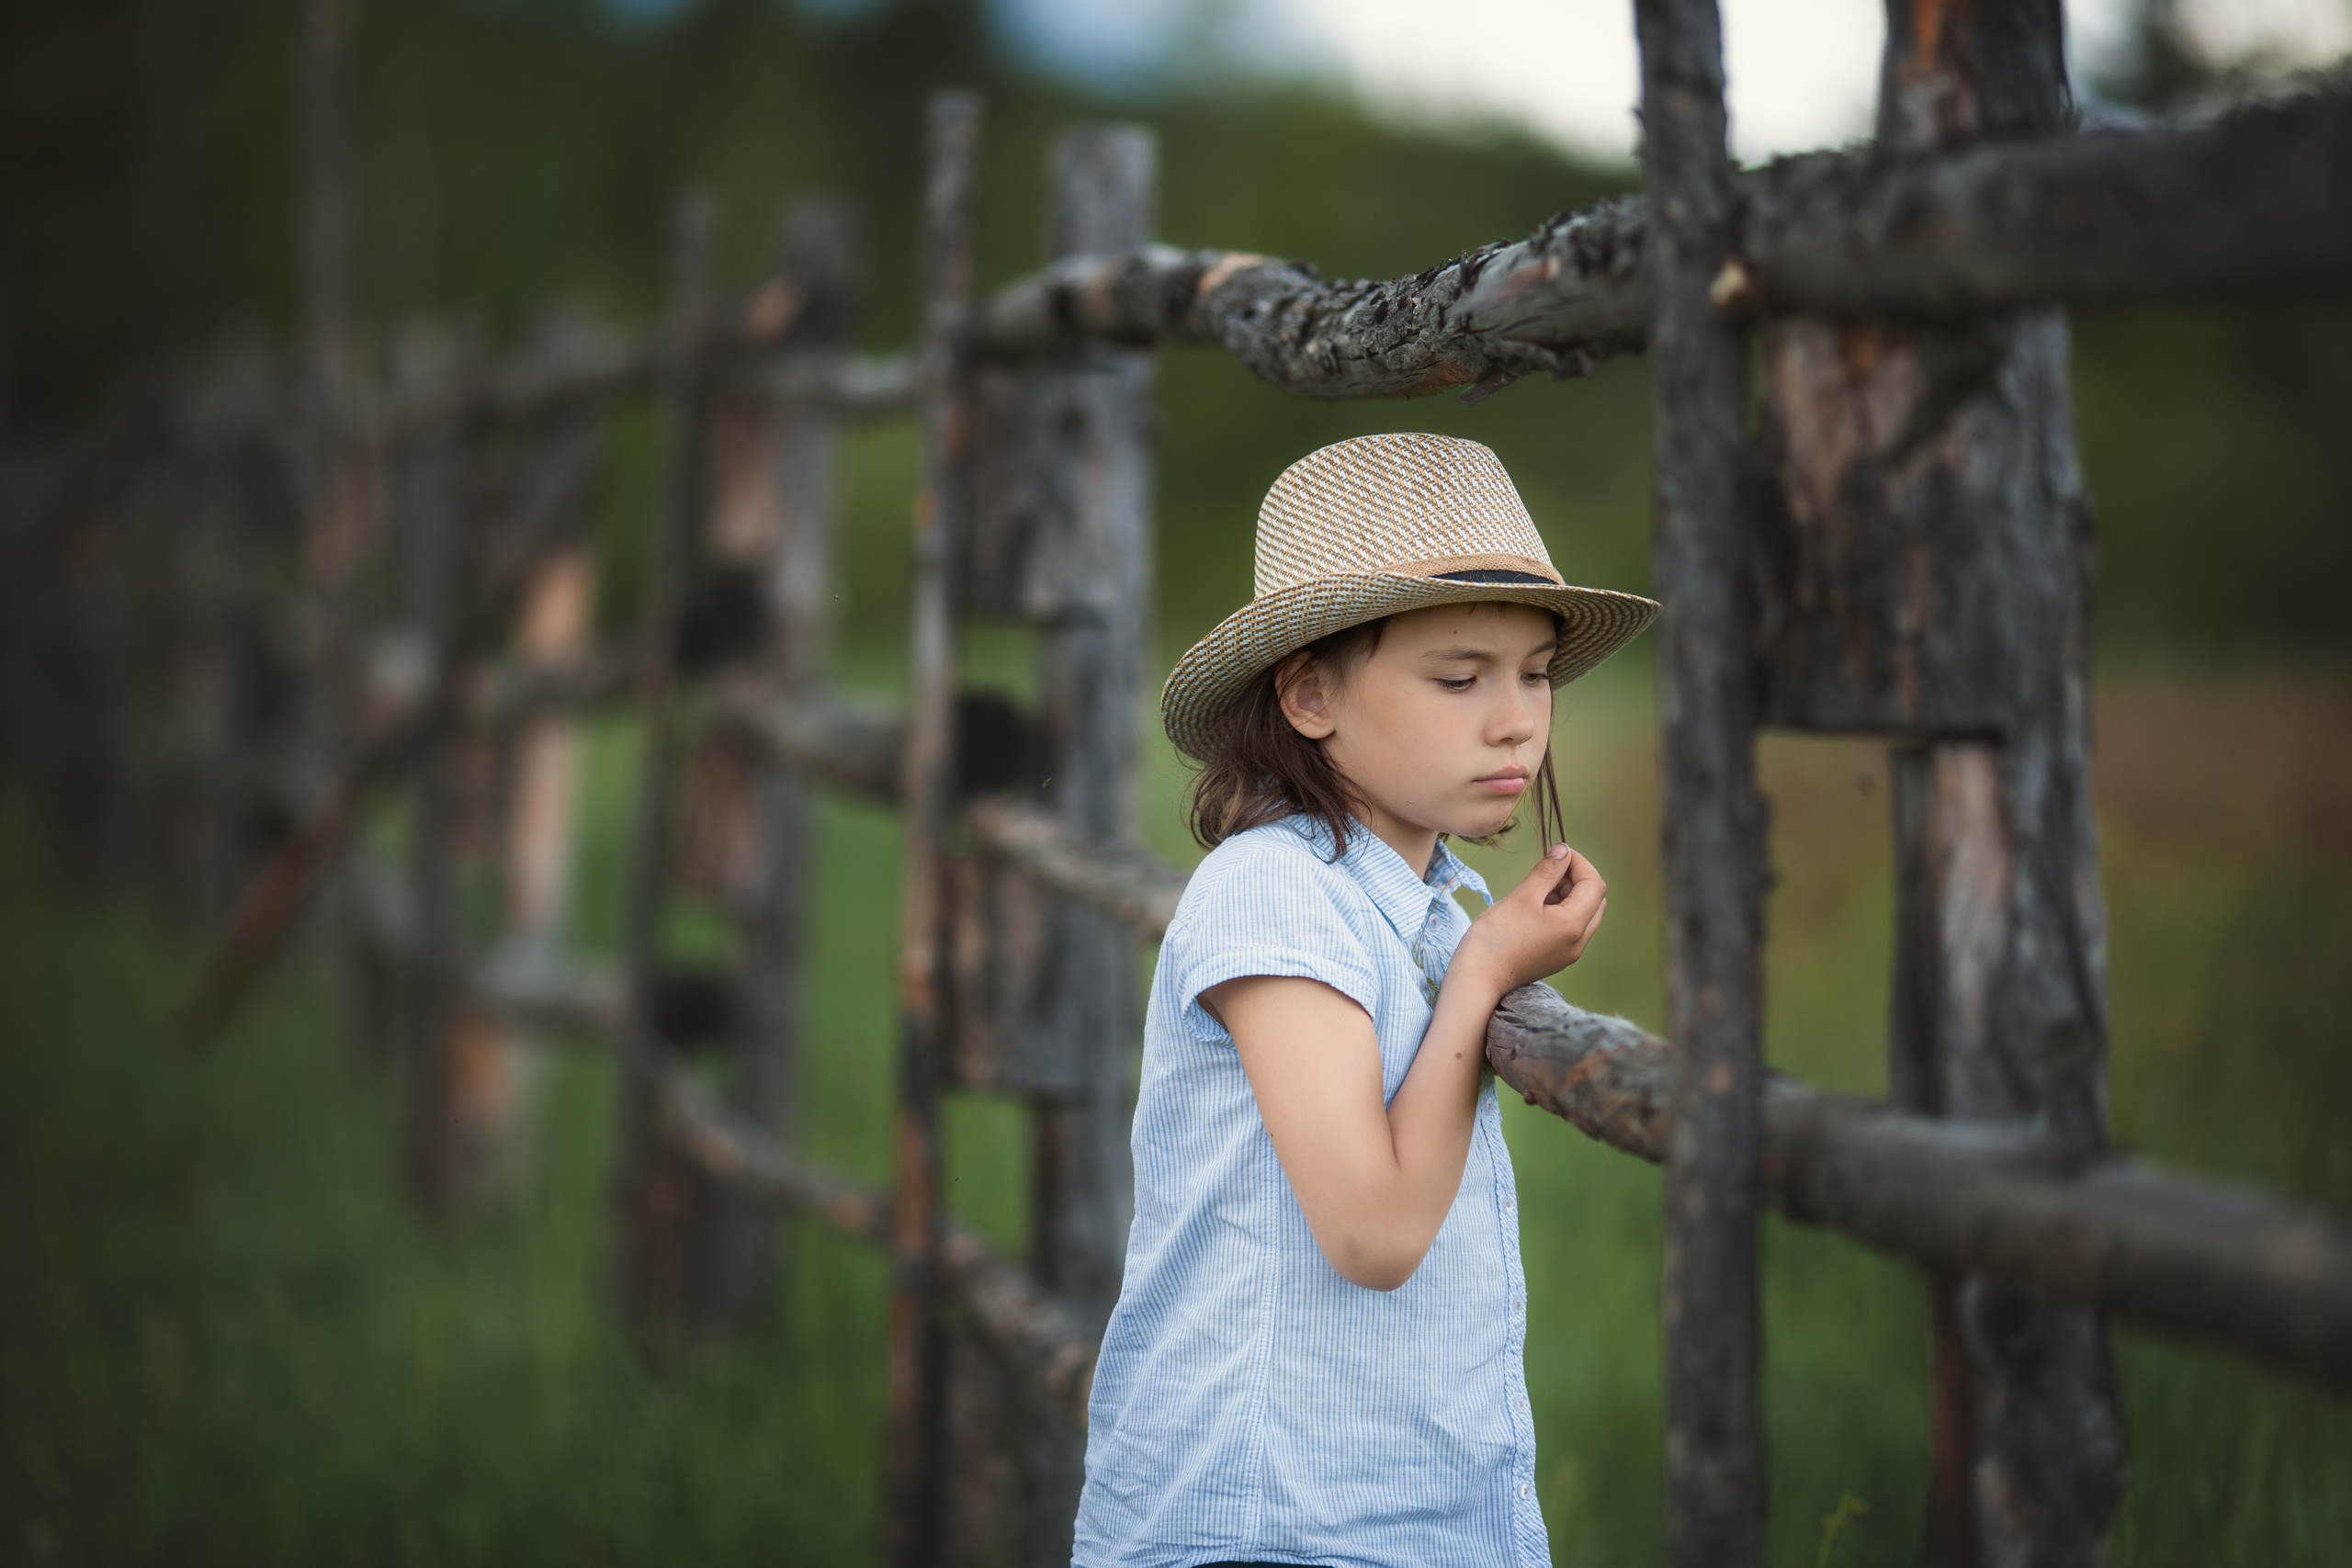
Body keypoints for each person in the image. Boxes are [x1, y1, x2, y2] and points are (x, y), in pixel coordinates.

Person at [1073, 432, 1660, 1568]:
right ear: (1307, 695)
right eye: (1458, 679)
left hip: (1394, 1515)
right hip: (1274, 1522)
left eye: (1533, 673)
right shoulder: (1273, 893)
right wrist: (1485, 975)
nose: (1515, 721)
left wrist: (1477, 948)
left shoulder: (1431, 900)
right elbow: (1374, 1231)